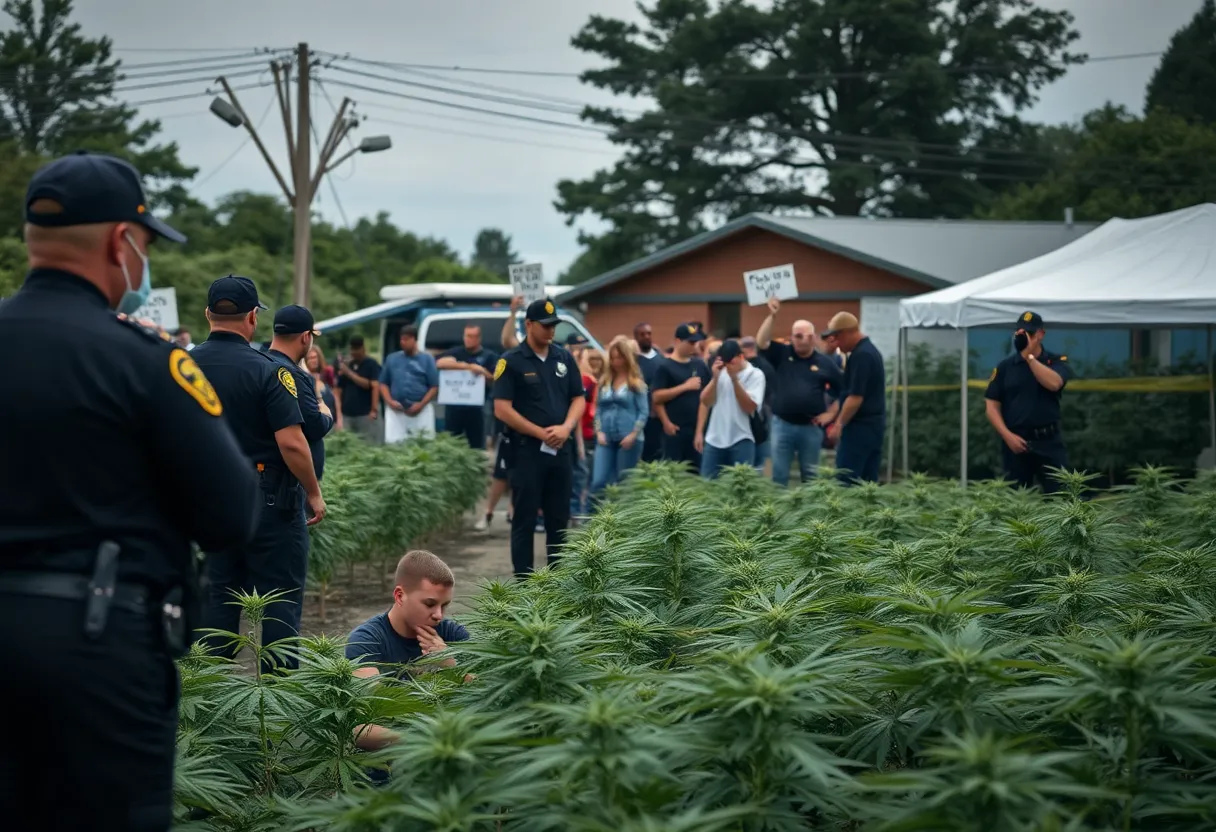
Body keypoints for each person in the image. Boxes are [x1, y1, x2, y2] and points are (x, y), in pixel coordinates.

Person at [0, 150, 259, 831]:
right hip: (96, 650)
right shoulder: (145, 362)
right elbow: (231, 515)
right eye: (144, 244)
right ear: (121, 242)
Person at [191, 275, 326, 671]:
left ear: (207, 314)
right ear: (253, 317)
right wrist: (314, 493)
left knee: (219, 597)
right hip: (268, 497)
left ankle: (211, 695)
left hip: (207, 499)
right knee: (279, 600)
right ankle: (280, 702)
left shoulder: (181, 365)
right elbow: (292, 442)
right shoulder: (269, 370)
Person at [492, 298, 586, 577]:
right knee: (524, 519)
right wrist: (540, 433)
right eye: (545, 326)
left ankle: (557, 582)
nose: (550, 331)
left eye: (553, 326)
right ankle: (524, 582)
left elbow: (578, 398)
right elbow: (501, 409)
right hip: (526, 452)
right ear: (528, 325)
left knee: (558, 520)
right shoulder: (511, 361)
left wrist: (566, 428)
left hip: (560, 451)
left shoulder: (564, 358)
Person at [344, 550, 471, 750]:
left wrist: (450, 665)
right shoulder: (367, 640)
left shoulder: (452, 634)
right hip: (385, 769)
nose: (438, 615)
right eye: (429, 604)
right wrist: (425, 742)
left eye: (444, 606)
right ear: (400, 596)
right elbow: (361, 727)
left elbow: (486, 695)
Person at [756, 297, 844, 485]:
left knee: (811, 478)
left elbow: (844, 390)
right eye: (794, 335)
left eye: (800, 335)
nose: (795, 339)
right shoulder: (782, 353)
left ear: (811, 337)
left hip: (810, 428)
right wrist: (772, 315)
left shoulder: (825, 363)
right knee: (779, 477)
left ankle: (807, 514)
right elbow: (762, 342)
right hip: (782, 425)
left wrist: (831, 413)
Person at [984, 311, 1073, 492]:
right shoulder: (1005, 367)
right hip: (1016, 441)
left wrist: (1030, 357)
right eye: (1021, 334)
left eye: (1030, 334)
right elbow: (991, 405)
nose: (1025, 338)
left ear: (1041, 334)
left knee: (1061, 497)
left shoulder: (1055, 361)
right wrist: (1007, 436)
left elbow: (1054, 383)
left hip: (1048, 441)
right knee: (1016, 501)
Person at [268, 305, 335, 481]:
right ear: (306, 337)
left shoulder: (260, 364)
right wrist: (326, 414)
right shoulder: (292, 375)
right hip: (290, 483)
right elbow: (314, 426)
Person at [820, 311, 886, 484]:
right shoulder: (868, 351)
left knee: (846, 481)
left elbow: (855, 397)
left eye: (838, 337)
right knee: (867, 484)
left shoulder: (861, 355)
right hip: (873, 426)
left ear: (850, 332)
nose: (836, 343)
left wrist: (839, 424)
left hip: (860, 427)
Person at [694, 339, 767, 478]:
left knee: (740, 487)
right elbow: (705, 401)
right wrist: (715, 379)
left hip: (742, 438)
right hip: (714, 439)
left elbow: (749, 407)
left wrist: (734, 380)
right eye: (725, 363)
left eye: (731, 363)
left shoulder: (755, 375)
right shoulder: (720, 371)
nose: (728, 367)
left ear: (741, 357)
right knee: (707, 485)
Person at [590, 338, 649, 499]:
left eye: (620, 357)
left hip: (628, 437)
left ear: (626, 358)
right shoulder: (605, 381)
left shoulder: (635, 383)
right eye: (613, 357)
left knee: (625, 484)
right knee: (599, 481)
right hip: (606, 436)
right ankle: (594, 518)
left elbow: (644, 412)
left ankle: (622, 521)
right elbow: (598, 408)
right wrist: (599, 431)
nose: (616, 361)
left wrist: (633, 434)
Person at [652, 323, 712, 471]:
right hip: (675, 429)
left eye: (696, 342)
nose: (694, 346)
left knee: (696, 473)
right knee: (674, 473)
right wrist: (685, 387)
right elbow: (657, 397)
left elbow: (705, 399)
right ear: (678, 341)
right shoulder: (665, 367)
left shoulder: (699, 365)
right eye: (690, 342)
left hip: (695, 429)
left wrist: (700, 431)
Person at [436, 323, 498, 451]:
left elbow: (494, 380)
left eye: (472, 336)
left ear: (479, 338)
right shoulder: (456, 351)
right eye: (467, 336)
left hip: (478, 408)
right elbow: (439, 363)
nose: (469, 339)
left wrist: (482, 372)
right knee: (451, 443)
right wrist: (468, 367)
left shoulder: (489, 356)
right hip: (455, 406)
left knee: (477, 446)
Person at [380, 325, 439, 443]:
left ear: (414, 340)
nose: (402, 342)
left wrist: (421, 405)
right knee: (394, 445)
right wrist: (390, 401)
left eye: (406, 339)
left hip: (420, 410)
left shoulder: (427, 359)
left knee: (423, 444)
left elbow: (434, 386)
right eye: (401, 339)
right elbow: (383, 383)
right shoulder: (392, 359)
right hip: (396, 411)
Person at [335, 335, 381, 443]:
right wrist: (339, 413)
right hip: (347, 414)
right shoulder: (348, 364)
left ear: (363, 349)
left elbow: (371, 385)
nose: (354, 352)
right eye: (352, 349)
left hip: (365, 413)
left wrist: (374, 410)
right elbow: (338, 389)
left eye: (357, 349)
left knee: (367, 444)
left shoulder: (371, 364)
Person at [739, 335, 776, 471]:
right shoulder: (767, 366)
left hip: (750, 415)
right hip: (765, 415)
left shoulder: (743, 369)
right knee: (762, 461)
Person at [633, 322, 665, 463]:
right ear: (636, 337)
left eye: (649, 334)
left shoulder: (660, 360)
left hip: (657, 415)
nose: (646, 337)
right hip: (638, 414)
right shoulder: (634, 361)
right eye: (642, 334)